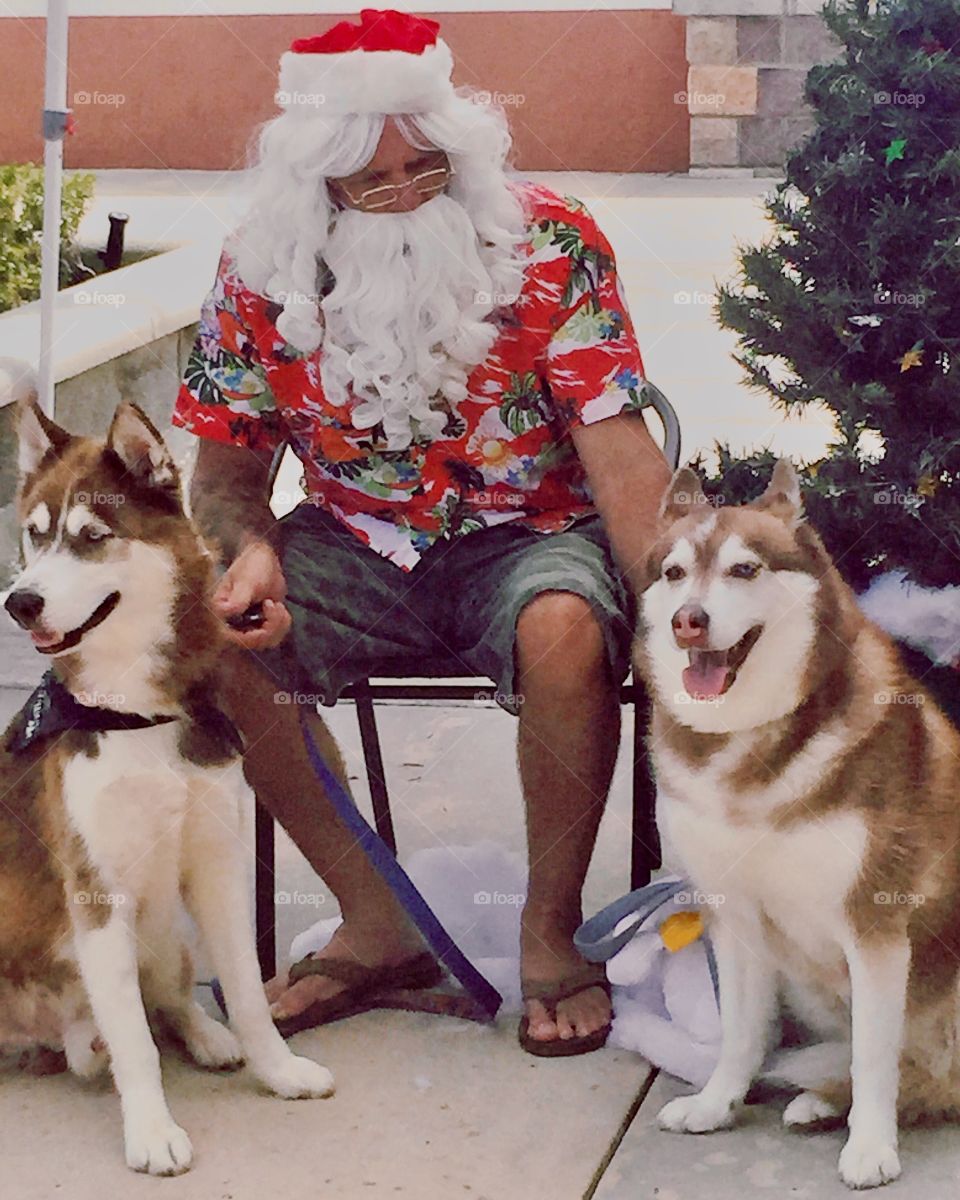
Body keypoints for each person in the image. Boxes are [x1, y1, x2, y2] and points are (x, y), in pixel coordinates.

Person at [174, 7, 671, 1056]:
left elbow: (623, 463)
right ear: (320, 186)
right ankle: (375, 923)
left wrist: (676, 618)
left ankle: (549, 932)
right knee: (213, 638)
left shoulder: (553, 241)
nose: (405, 193)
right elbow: (222, 479)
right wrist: (245, 550)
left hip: (531, 531)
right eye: (372, 180)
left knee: (564, 627)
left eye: (426, 168)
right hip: (351, 536)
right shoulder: (257, 271)